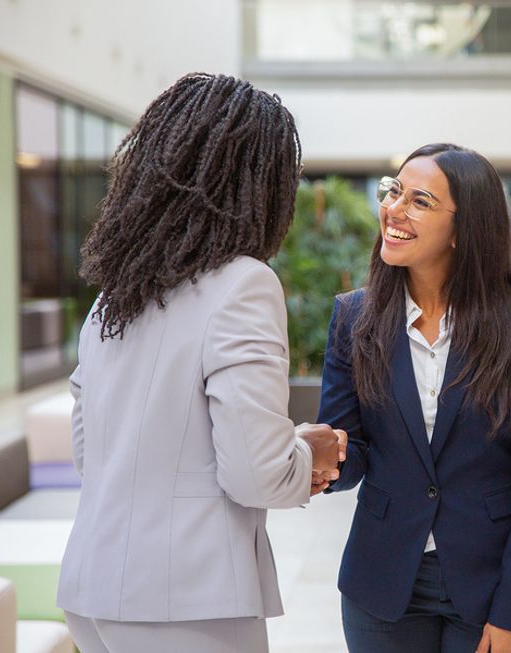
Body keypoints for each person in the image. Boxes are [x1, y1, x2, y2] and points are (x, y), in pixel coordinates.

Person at [56, 73, 346, 653]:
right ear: (260, 185)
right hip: (189, 600)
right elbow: (254, 473)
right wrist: (307, 451)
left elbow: (90, 453)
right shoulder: (243, 285)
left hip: (92, 590)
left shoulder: (115, 295)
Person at [317, 143, 511, 653]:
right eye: (394, 193)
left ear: (465, 227)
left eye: (420, 201)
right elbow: (351, 450)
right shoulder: (353, 318)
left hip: (493, 584)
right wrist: (326, 460)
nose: (393, 209)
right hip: (383, 585)